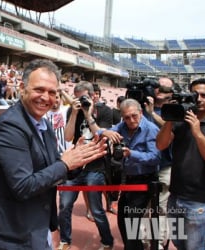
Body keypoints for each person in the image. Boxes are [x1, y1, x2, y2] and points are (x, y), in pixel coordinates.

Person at [0, 59, 108, 249]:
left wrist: (78, 160)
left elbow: (52, 165)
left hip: (36, 226)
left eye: (52, 92)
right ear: (22, 88)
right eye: (39, 89)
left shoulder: (44, 124)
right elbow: (23, 185)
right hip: (9, 235)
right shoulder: (10, 126)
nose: (46, 97)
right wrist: (65, 164)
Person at [156, 78, 205, 250]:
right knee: (179, 243)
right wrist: (171, 118)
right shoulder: (182, 119)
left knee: (194, 247)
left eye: (204, 95)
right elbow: (161, 144)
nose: (200, 99)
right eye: (196, 95)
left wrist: (197, 132)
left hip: (199, 200)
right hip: (175, 196)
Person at [98, 98, 160, 250]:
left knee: (132, 221)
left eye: (134, 116)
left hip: (146, 180)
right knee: (122, 220)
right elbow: (100, 131)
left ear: (140, 112)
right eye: (126, 117)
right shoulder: (122, 126)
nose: (131, 120)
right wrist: (105, 131)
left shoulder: (151, 129)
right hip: (128, 181)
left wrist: (132, 154)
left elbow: (155, 157)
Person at [59, 81, 114, 250]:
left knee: (96, 209)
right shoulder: (72, 110)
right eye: (77, 98)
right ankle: (65, 240)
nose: (80, 101)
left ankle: (107, 241)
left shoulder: (105, 111)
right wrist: (75, 114)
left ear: (92, 96)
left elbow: (104, 135)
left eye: (83, 98)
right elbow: (68, 137)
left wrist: (88, 114)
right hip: (75, 166)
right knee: (64, 205)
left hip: (95, 166)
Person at [144, 76, 174, 250]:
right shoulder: (143, 106)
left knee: (162, 208)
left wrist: (152, 114)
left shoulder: (174, 110)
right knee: (144, 209)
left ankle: (159, 243)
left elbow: (172, 129)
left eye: (162, 89)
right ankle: (146, 242)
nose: (158, 91)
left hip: (165, 166)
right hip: (145, 167)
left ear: (170, 93)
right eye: (156, 88)